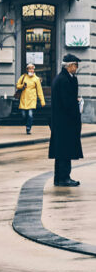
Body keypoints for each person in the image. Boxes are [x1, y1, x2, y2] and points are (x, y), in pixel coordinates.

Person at [48, 53, 83, 187]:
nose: (76, 68)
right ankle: (64, 178)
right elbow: (67, 102)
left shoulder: (62, 78)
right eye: (75, 65)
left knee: (61, 151)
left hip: (61, 121)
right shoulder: (64, 80)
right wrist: (76, 104)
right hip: (65, 122)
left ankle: (59, 178)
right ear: (69, 66)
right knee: (65, 151)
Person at [16, 63, 45, 134]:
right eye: (29, 69)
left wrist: (42, 101)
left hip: (32, 99)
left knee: (30, 114)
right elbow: (17, 85)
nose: (31, 70)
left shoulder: (36, 79)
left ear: (34, 70)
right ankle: (26, 123)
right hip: (24, 99)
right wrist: (22, 86)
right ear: (27, 70)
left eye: (32, 69)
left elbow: (39, 90)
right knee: (23, 115)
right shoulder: (23, 77)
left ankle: (28, 128)